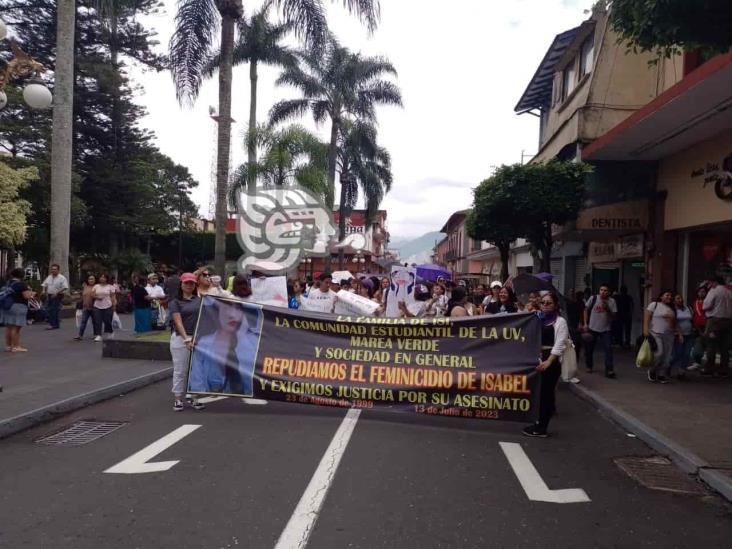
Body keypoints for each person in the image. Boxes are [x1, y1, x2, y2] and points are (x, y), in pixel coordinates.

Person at [189, 298, 261, 395]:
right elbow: (196, 384)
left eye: (238, 309)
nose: (232, 315)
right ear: (216, 312)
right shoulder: (203, 343)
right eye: (226, 308)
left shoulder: (253, 343)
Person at [523, 292, 568, 438]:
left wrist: (549, 361)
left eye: (549, 303)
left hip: (551, 361)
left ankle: (542, 427)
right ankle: (538, 422)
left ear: (555, 305)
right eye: (543, 303)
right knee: (537, 393)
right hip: (537, 358)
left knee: (546, 394)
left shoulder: (560, 322)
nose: (545, 305)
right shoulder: (537, 319)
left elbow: (560, 344)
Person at [169, 272, 205, 412]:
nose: (189, 285)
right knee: (180, 370)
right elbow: (178, 322)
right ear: (181, 285)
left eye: (192, 283)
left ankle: (193, 396)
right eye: (186, 283)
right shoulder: (175, 302)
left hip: (197, 339)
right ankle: (178, 399)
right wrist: (186, 339)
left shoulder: (199, 300)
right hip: (180, 339)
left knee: (195, 370)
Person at [643, 289, 679, 384]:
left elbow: (673, 325)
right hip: (655, 333)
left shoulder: (671, 309)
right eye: (667, 295)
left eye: (670, 296)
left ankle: (661, 374)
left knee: (667, 357)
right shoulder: (654, 305)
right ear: (661, 296)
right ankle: (652, 370)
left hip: (669, 335)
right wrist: (645, 330)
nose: (669, 297)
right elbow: (647, 317)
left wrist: (671, 319)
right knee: (659, 353)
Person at [582, 285, 617, 378]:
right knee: (589, 349)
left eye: (605, 290)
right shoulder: (593, 298)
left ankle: (609, 369)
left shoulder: (612, 301)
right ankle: (589, 365)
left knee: (608, 348)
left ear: (609, 292)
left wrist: (607, 308)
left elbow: (614, 316)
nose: (603, 292)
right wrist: (585, 323)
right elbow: (585, 310)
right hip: (592, 328)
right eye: (601, 290)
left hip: (606, 329)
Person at [702, 277, 732, 377]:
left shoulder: (714, 291)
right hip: (728, 321)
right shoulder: (729, 292)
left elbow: (706, 305)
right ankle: (724, 369)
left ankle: (709, 368)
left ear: (714, 282)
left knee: (711, 344)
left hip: (715, 320)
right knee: (724, 346)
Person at [1, 268, 35, 352]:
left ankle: (8, 346)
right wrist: (32, 293)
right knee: (16, 328)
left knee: (9, 327)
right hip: (18, 306)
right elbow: (26, 296)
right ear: (22, 275)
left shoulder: (8, 283)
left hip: (7, 306)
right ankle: (16, 346)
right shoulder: (21, 284)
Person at [671, 294, 694, 380]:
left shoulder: (688, 308)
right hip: (678, 335)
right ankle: (668, 366)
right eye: (678, 298)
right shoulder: (673, 310)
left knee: (687, 354)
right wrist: (680, 334)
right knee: (678, 354)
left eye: (681, 298)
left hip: (689, 334)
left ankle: (681, 372)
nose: (680, 300)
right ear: (674, 301)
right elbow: (674, 323)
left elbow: (692, 319)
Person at [41, 263, 69, 330]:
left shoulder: (62, 278)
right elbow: (45, 284)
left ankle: (52, 324)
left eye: (55, 269)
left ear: (58, 270)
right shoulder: (49, 277)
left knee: (53, 309)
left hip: (58, 295)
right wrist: (43, 291)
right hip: (50, 294)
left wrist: (57, 293)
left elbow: (65, 287)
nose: (53, 270)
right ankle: (56, 324)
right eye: (52, 269)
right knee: (52, 309)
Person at [91, 274, 116, 341]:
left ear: (106, 279)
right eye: (101, 277)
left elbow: (113, 297)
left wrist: (114, 305)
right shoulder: (96, 286)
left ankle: (110, 331)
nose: (102, 278)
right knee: (97, 321)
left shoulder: (110, 287)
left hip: (107, 306)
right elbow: (92, 294)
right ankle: (99, 335)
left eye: (103, 277)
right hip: (97, 306)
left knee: (107, 321)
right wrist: (97, 297)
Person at [689, 286, 708, 370]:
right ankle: (697, 362)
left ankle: (708, 366)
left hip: (708, 327)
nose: (701, 293)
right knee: (697, 348)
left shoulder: (708, 302)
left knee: (709, 348)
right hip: (698, 328)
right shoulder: (695, 302)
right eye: (700, 291)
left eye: (703, 292)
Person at [74, 275, 97, 340]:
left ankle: (95, 335)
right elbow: (83, 297)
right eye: (89, 279)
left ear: (95, 280)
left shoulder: (97, 287)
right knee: (83, 321)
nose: (91, 280)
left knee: (95, 322)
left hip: (94, 308)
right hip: (85, 308)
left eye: (92, 279)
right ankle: (80, 335)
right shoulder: (85, 287)